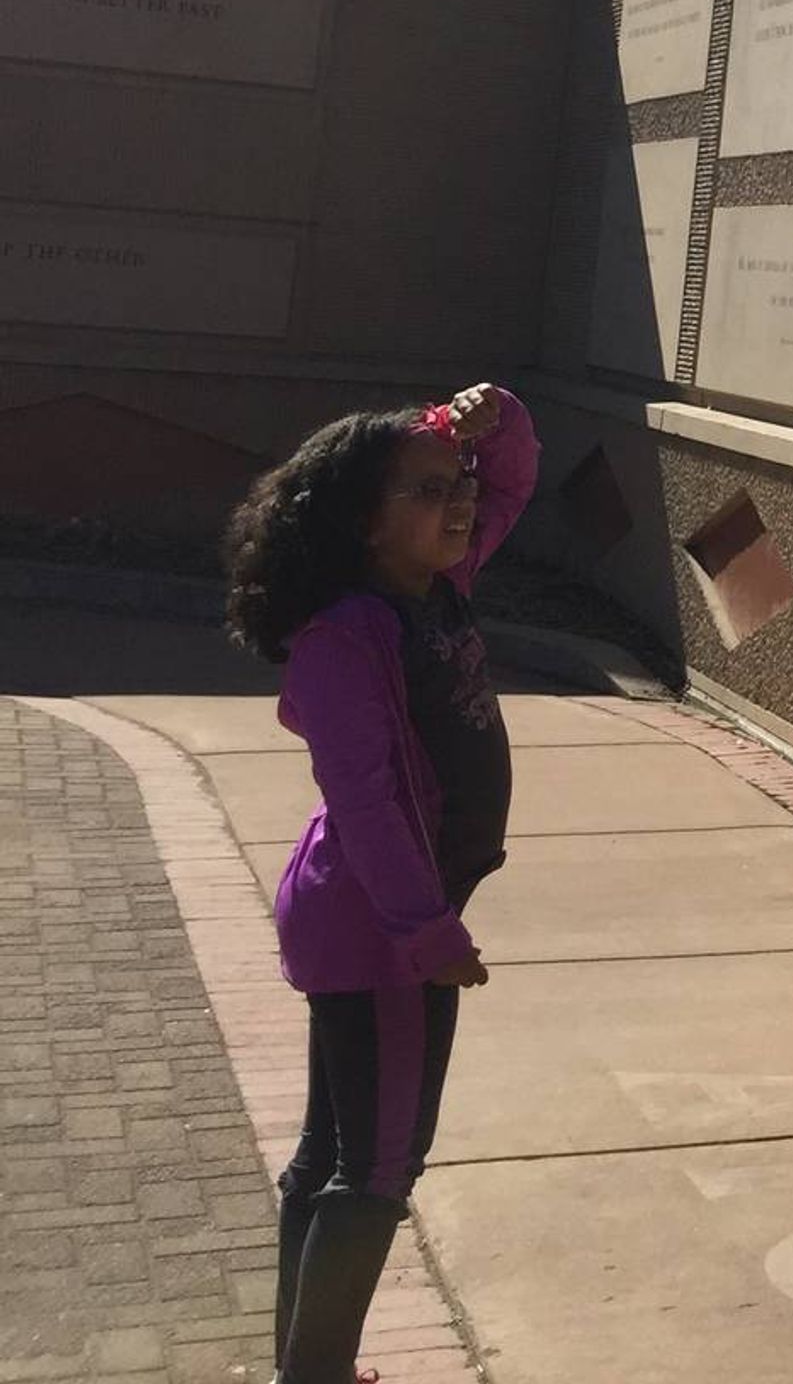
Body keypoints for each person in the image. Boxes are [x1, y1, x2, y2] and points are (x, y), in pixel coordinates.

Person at [225, 382, 535, 1384]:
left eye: (461, 486)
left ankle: (304, 1367)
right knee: (381, 1170)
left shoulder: (432, 591)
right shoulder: (346, 639)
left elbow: (516, 481)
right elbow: (366, 802)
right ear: (364, 520)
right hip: (380, 933)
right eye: (428, 490)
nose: (460, 506)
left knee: (334, 1154)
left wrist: (495, 417)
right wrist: (427, 931)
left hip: (375, 922)